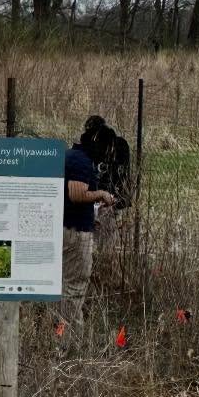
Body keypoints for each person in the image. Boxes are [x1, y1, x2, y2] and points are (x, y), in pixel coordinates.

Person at [57, 123, 120, 351]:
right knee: (74, 286)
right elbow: (76, 193)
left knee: (66, 286)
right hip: (75, 232)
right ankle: (69, 343)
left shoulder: (73, 157)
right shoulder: (80, 161)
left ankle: (66, 338)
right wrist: (101, 194)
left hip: (69, 227)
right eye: (107, 148)